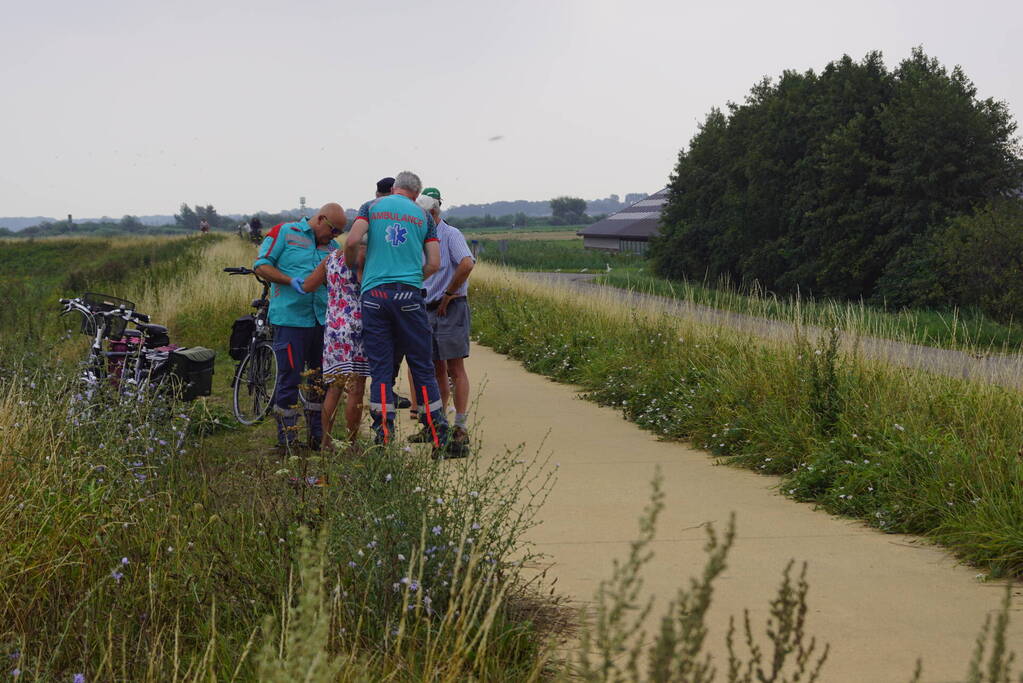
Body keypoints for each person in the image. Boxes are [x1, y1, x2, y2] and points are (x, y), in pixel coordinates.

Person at [345, 171, 448, 452]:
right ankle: (438, 434)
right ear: (416, 194)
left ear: (394, 189)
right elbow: (435, 263)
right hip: (409, 295)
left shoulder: (371, 207)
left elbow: (353, 241)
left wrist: (354, 269)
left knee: (381, 368)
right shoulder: (424, 217)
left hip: (375, 296)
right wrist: (414, 278)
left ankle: (383, 437)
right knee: (422, 366)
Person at [253, 203, 346, 452]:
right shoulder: (285, 232)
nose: (335, 236)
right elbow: (261, 265)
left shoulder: (333, 248)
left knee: (319, 381)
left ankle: (317, 436)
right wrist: (288, 280)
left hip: (321, 322)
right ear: (321, 219)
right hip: (291, 320)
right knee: (289, 379)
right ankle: (288, 440)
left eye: (339, 233)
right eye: (333, 230)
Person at [410, 188, 475, 456]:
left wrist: (449, 293)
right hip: (427, 307)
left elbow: (467, 264)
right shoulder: (421, 237)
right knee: (435, 368)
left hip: (450, 307)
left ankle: (460, 426)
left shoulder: (450, 234)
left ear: (435, 212)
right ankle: (437, 424)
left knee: (454, 368)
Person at [301, 231, 369, 450]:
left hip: (333, 328)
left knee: (334, 388)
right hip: (358, 327)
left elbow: (309, 284)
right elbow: (362, 280)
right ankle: (352, 444)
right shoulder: (364, 255)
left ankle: (326, 441)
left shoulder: (330, 257)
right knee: (356, 388)